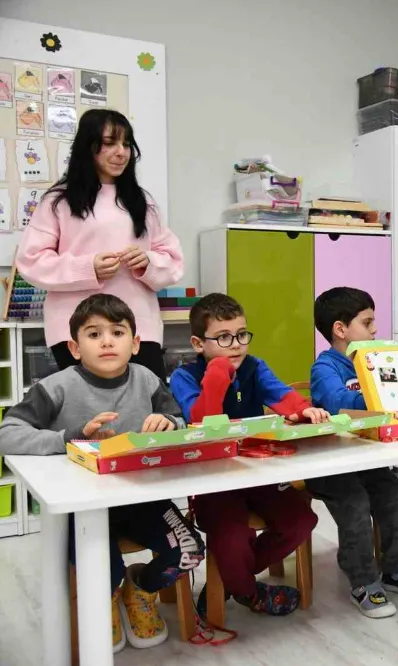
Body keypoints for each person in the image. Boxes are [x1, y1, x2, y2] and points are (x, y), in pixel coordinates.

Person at [0, 294, 202, 653]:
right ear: (75, 348)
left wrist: (169, 423)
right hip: (84, 508)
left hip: (143, 498)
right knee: (103, 572)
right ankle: (104, 602)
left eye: (117, 332)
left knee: (191, 551)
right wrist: (70, 439)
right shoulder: (57, 386)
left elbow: (181, 421)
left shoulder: (148, 379)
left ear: (135, 344)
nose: (107, 341)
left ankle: (140, 590)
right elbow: (7, 433)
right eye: (94, 334)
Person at [170, 293, 325, 617]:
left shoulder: (255, 367)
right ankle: (249, 592)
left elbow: (282, 395)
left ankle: (233, 579)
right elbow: (202, 421)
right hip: (214, 479)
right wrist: (218, 373)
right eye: (223, 337)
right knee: (232, 538)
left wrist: (303, 410)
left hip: (259, 470)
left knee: (301, 520)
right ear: (198, 343)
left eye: (242, 335)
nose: (236, 345)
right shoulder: (185, 377)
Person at [16, 109, 183, 381]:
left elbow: (173, 259)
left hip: (138, 326)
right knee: (86, 404)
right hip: (78, 328)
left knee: (145, 401)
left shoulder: (142, 202)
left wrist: (148, 262)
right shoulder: (59, 200)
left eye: (126, 144)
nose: (121, 152)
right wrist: (87, 268)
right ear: (88, 146)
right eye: (109, 143)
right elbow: (31, 260)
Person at [308, 286, 398, 618]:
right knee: (354, 502)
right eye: (367, 322)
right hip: (329, 464)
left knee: (394, 493)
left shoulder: (373, 360)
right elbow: (339, 404)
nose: (375, 329)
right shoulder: (325, 368)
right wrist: (384, 393)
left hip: (367, 459)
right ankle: (363, 580)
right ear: (340, 329)